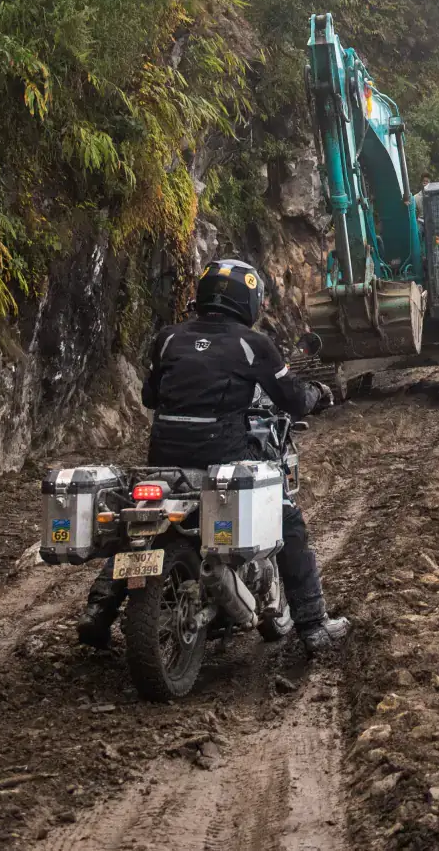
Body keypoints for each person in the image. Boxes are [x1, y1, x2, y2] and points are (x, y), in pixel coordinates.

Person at [77, 259, 349, 653]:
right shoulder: (253, 344)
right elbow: (293, 398)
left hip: (164, 460)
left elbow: (150, 397)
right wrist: (319, 394)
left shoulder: (168, 338)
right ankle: (314, 625)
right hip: (220, 456)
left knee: (136, 528)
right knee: (286, 516)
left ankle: (99, 609)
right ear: (249, 301)